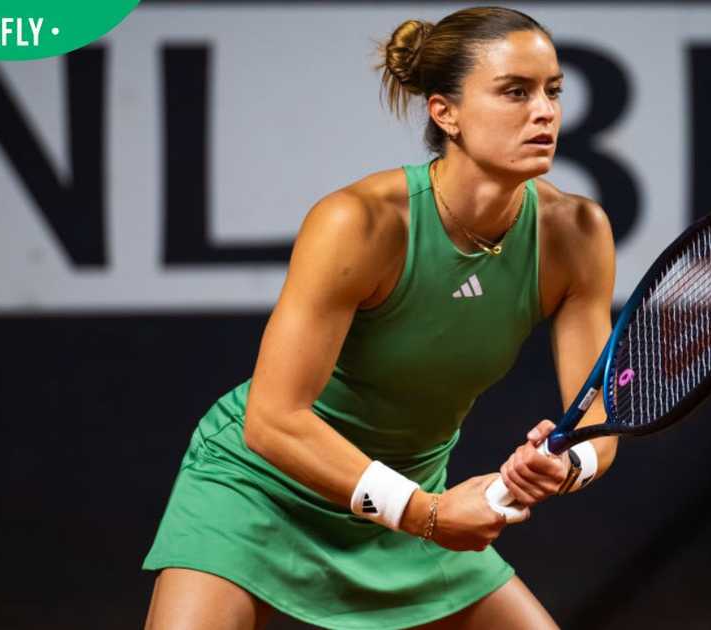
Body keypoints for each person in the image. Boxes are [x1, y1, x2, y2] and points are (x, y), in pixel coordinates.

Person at [142, 7, 618, 629]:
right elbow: (272, 421)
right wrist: (425, 514)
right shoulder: (359, 223)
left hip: (415, 495)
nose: (545, 112)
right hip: (260, 491)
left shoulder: (576, 233)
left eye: (553, 90)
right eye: (514, 92)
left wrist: (567, 463)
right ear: (444, 112)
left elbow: (600, 419)